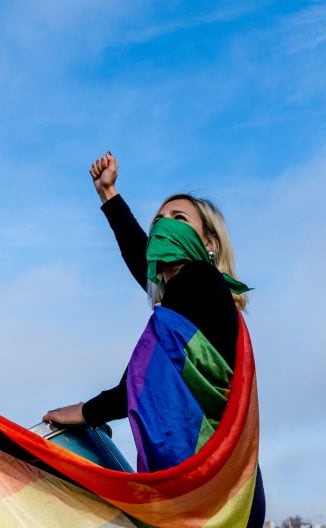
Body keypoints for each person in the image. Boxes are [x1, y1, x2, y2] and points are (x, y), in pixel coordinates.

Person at [43, 152, 265, 526]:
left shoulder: (202, 281)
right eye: (158, 221)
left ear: (209, 242)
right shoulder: (192, 304)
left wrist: (86, 411)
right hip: (222, 491)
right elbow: (147, 266)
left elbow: (144, 382)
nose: (164, 227)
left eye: (179, 219)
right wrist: (108, 194)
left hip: (213, 491)